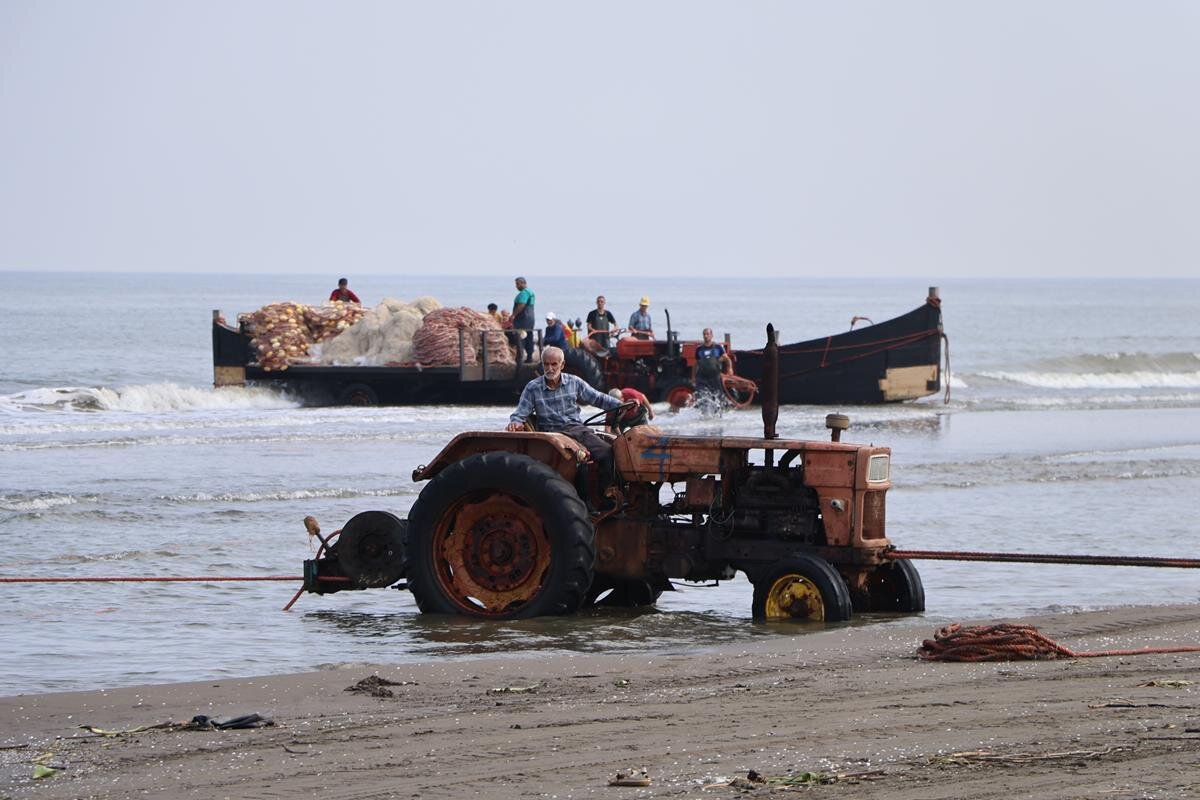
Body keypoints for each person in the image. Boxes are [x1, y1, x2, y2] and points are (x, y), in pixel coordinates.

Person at [506, 346, 623, 505]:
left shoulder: (574, 382)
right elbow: (520, 412)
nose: (550, 368)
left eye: (554, 364)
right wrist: (515, 422)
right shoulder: (533, 387)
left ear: (562, 365)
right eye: (546, 364)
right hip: (552, 434)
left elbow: (598, 398)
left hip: (577, 429)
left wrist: (622, 405)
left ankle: (606, 497)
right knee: (579, 459)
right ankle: (585, 504)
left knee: (609, 453)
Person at [692, 327, 733, 407]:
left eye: (707, 334)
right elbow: (696, 363)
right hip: (702, 378)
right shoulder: (699, 349)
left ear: (711, 335)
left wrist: (730, 369)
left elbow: (727, 359)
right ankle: (703, 415)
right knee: (701, 397)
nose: (706, 336)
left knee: (718, 397)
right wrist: (693, 377)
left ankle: (718, 415)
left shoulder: (718, 347)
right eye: (704, 334)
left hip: (715, 377)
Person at [511, 277, 536, 363]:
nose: (516, 286)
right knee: (529, 337)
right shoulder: (531, 292)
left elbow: (521, 305)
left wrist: (513, 315)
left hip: (523, 319)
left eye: (517, 284)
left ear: (523, 283)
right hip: (530, 319)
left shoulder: (524, 293)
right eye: (516, 284)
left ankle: (520, 358)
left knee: (520, 337)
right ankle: (529, 356)